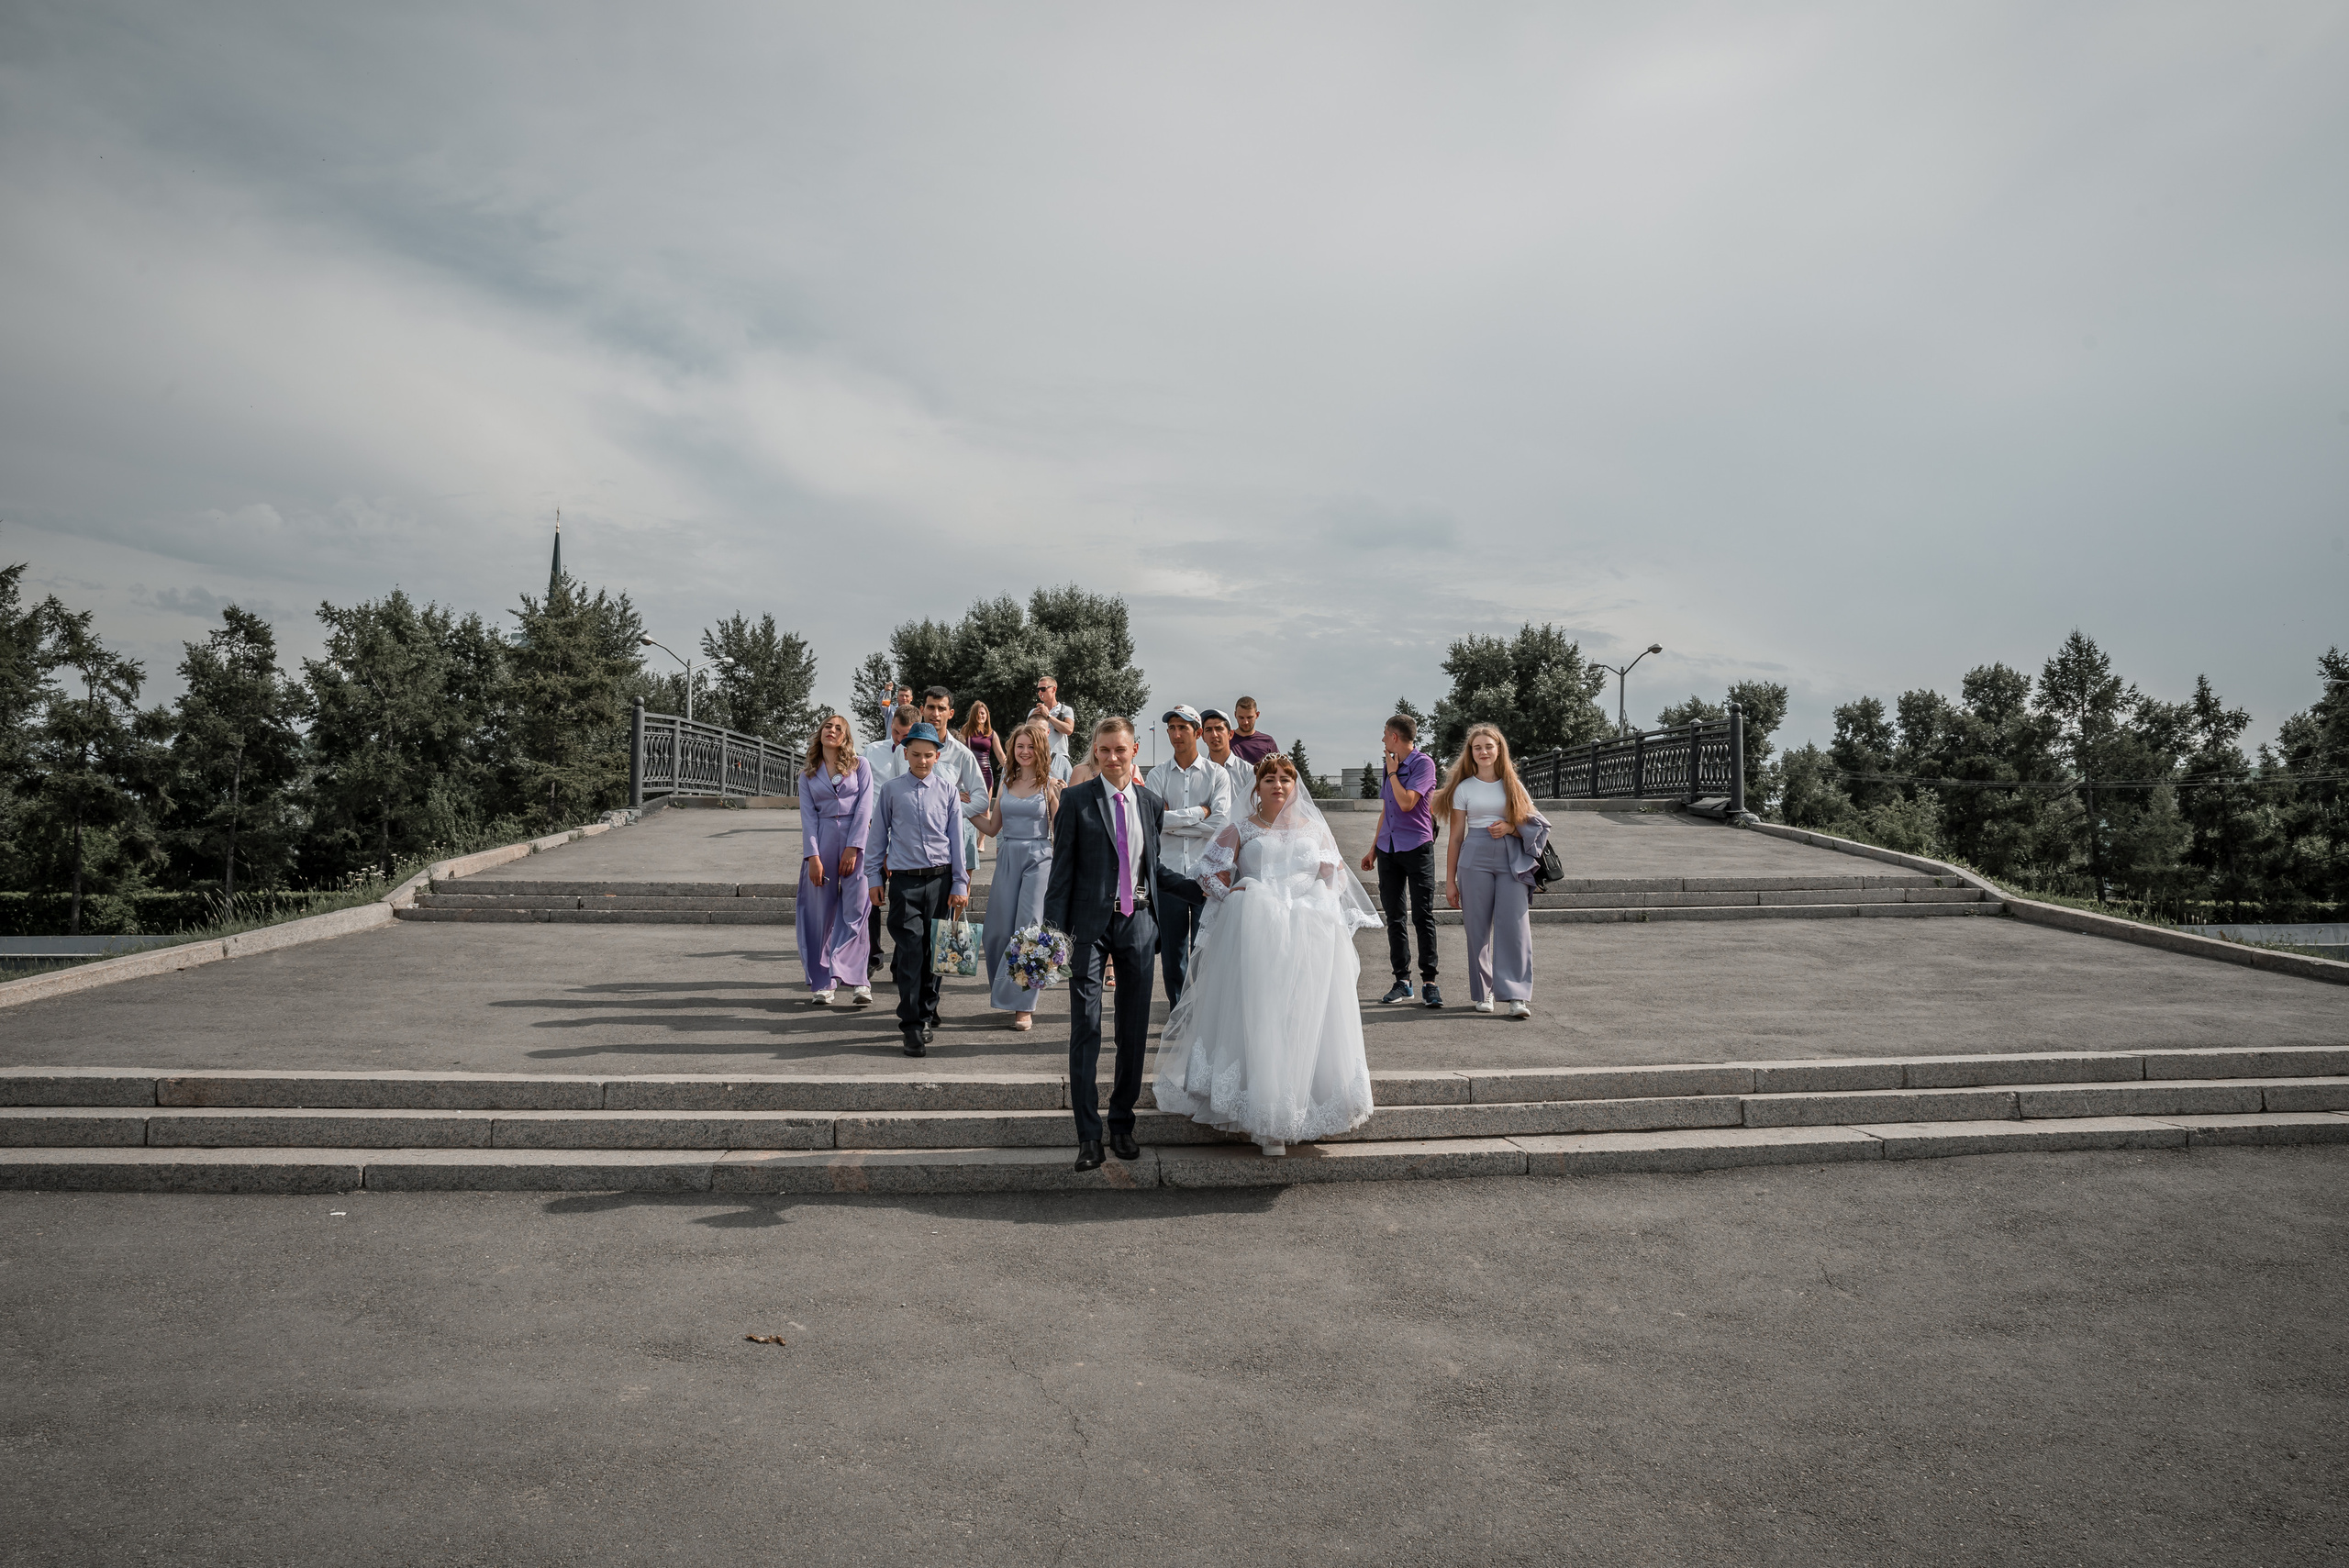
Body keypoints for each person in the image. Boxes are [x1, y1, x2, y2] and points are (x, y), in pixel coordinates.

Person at [1154, 753, 1378, 1155]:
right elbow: (1207, 872)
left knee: (1303, 1014)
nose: (1278, 784)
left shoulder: (1315, 830)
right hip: (1256, 931)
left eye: (1286, 779)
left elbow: (1336, 878)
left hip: (1307, 934)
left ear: (1295, 786)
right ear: (1256, 787)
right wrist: (1233, 891)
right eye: (1270, 778)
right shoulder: (1242, 827)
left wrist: (1319, 902)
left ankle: (1301, 1107)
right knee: (1261, 1014)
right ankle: (1265, 1118)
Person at [1042, 716, 1164, 1171]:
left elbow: (1155, 868)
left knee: (1132, 1032)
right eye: (1104, 750)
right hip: (1088, 927)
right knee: (1087, 1029)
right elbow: (1061, 873)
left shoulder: (1152, 804)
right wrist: (1053, 938)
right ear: (1094, 752)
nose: (1112, 757)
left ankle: (1122, 1124)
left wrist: (1207, 887)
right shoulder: (1075, 800)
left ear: (1134, 752)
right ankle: (1088, 1135)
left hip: (1137, 922)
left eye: (1121, 750)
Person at [864, 722, 970, 1056]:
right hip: (905, 882)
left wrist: (960, 882)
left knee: (934, 953)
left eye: (928, 755)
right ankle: (910, 1025)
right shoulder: (892, 791)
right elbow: (878, 838)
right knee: (910, 952)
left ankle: (927, 1012)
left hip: (940, 882)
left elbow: (957, 841)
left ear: (938, 756)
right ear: (904, 753)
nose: (922, 761)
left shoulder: (948, 791)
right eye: (915, 755)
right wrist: (873, 879)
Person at [1435, 722, 1553, 1019]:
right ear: (1471, 753)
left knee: (1515, 927)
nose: (1484, 751)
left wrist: (1512, 827)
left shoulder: (1513, 784)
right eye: (1478, 747)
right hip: (1473, 857)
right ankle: (1484, 991)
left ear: (1499, 750)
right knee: (1477, 929)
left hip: (1511, 859)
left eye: (1489, 746)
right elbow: (1456, 837)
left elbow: (1537, 824)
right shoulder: (1464, 788)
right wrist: (1450, 881)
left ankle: (1516, 996)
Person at [973, 718, 1061, 1030]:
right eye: (1019, 746)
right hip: (1007, 855)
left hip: (1040, 858)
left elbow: (1061, 830)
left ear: (1041, 749)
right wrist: (965, 809)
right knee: (995, 931)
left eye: (1030, 746)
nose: (1024, 751)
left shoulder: (1050, 783)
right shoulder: (1006, 781)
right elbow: (992, 828)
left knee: (1029, 930)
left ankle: (1024, 1005)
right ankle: (1006, 991)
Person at [1143, 704, 1231, 1009]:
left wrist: (1173, 820)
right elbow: (1153, 822)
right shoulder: (1156, 775)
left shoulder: (1217, 775)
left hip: (1206, 872)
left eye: (1183, 728)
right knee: (1172, 950)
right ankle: (1178, 1009)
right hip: (1168, 873)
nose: (1176, 734)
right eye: (1172, 728)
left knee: (1203, 947)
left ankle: (1203, 1009)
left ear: (1197, 733)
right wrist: (1198, 813)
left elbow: (1221, 822)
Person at [1359, 713, 1442, 1008]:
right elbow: (1388, 811)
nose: (1382, 739)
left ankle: (1429, 982)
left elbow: (1407, 803)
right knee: (1394, 917)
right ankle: (1402, 981)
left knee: (1422, 916)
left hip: (1417, 848)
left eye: (1384, 734)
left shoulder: (1423, 764)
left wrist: (1394, 772)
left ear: (1395, 737)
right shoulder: (1388, 766)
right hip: (1388, 849)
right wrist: (1373, 849)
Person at [797, 714, 874, 1008]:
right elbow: (807, 818)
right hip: (822, 841)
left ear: (845, 736)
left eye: (838, 728)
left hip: (856, 842)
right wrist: (813, 857)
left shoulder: (860, 765)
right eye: (827, 726)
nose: (832, 730)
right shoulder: (807, 775)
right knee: (819, 915)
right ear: (820, 734)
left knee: (857, 910)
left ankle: (859, 981)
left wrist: (855, 846)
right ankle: (822, 983)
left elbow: (865, 806)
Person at [859, 704, 916, 977]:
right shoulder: (872, 750)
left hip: (905, 838)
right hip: (875, 833)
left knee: (904, 902)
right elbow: (863, 790)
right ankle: (872, 956)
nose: (897, 738)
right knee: (871, 898)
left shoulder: (916, 755)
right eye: (895, 731)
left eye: (903, 735)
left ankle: (900, 962)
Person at [918, 686, 989, 872]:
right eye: (931, 707)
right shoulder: (905, 751)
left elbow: (981, 800)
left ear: (950, 713)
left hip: (946, 845)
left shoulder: (961, 753)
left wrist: (952, 812)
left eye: (941, 709)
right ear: (921, 710)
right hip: (910, 847)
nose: (935, 714)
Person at [1199, 708, 1255, 817]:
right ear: (1202, 737)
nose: (1214, 734)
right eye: (1209, 730)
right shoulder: (1197, 773)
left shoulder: (1248, 772)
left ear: (1230, 734)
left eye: (1219, 729)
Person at [961, 701, 999, 853]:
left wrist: (1011, 768)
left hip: (985, 772)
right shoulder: (965, 730)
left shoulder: (991, 733)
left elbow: (1001, 755)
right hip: (969, 771)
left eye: (983, 713)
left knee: (985, 807)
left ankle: (981, 840)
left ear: (987, 715)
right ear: (973, 715)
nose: (981, 715)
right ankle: (964, 837)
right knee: (967, 803)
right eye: (978, 713)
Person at [1029, 675, 1077, 782]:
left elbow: (1069, 729)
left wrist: (1048, 716)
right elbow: (1026, 735)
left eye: (1043, 689)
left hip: (1058, 757)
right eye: (1038, 690)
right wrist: (1033, 718)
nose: (1040, 692)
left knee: (1059, 790)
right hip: (1037, 755)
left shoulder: (1066, 710)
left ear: (1054, 689)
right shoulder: (1033, 712)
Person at [1229, 696, 1278, 767]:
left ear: (1257, 715)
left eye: (1249, 717)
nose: (1245, 722)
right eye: (1241, 717)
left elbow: (1278, 768)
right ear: (1235, 715)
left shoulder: (1267, 742)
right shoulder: (1227, 740)